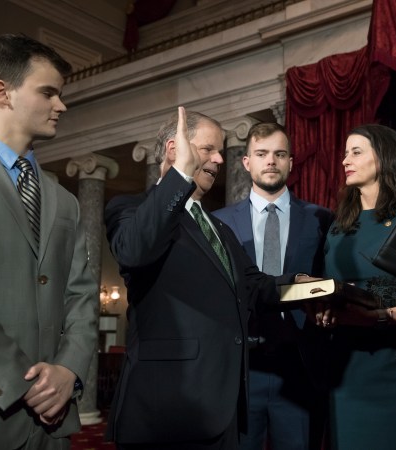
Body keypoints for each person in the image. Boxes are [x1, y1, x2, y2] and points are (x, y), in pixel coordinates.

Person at [104, 108, 288, 450]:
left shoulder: (219, 227)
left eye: (220, 150)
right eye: (208, 149)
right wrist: (179, 175)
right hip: (166, 409)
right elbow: (134, 250)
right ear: (175, 149)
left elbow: (256, 287)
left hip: (222, 406)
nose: (220, 159)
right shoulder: (128, 207)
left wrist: (316, 288)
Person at [0, 34, 99, 450]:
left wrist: (68, 371)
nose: (62, 105)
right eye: (48, 92)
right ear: (2, 92)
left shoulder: (66, 201)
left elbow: (83, 296)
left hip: (53, 426)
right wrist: (23, 383)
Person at [313, 124, 396, 450]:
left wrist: (383, 317)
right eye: (344, 153)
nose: (345, 160)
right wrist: (322, 310)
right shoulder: (338, 229)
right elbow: (332, 290)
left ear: (384, 158)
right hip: (349, 371)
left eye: (356, 152)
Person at [213, 122, 333, 450]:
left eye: (280, 154)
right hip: (241, 369)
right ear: (246, 161)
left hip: (300, 365)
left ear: (291, 162)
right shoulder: (218, 222)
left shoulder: (321, 219)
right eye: (262, 154)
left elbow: (328, 281)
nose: (271, 161)